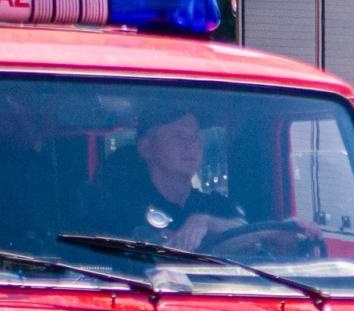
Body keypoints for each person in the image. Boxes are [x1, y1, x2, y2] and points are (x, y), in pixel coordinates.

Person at [96, 106, 246, 250]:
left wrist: (207, 223)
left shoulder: (213, 205)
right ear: (147, 148)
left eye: (195, 137)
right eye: (179, 137)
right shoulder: (121, 209)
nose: (192, 146)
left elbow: (259, 233)